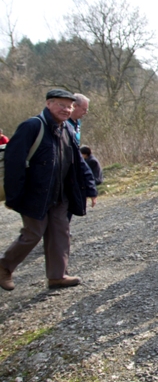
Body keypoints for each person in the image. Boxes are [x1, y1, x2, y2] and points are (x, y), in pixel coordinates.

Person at [0, 89, 98, 291]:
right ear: (48, 104)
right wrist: (15, 195)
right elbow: (13, 161)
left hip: (60, 195)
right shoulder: (32, 126)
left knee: (60, 233)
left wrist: (90, 187)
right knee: (33, 234)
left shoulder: (68, 130)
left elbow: (78, 163)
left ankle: (57, 276)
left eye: (69, 106)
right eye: (61, 104)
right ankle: (4, 267)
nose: (66, 109)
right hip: (34, 195)